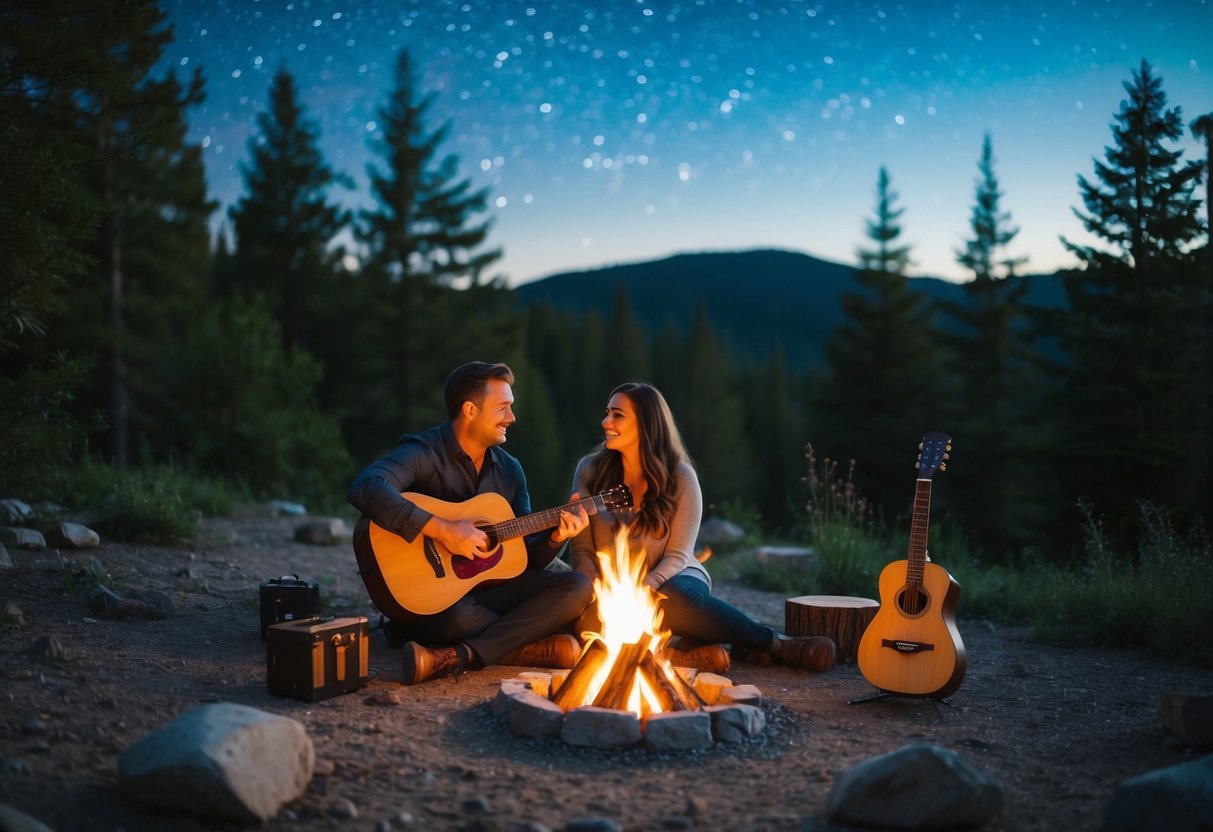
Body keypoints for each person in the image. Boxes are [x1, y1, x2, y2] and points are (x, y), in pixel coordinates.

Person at [347, 361, 594, 685]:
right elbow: (366, 486)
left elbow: (525, 559)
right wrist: (443, 530)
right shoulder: (424, 452)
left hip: (486, 592)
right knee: (458, 619)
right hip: (431, 600)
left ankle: (460, 654)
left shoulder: (509, 470)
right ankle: (520, 644)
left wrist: (555, 538)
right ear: (470, 410)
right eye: (503, 408)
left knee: (578, 587)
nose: (512, 418)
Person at [567, 381, 836, 673]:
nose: (606, 422)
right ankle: (682, 653)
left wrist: (642, 590)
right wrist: (600, 592)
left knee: (676, 601)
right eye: (607, 412)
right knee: (590, 621)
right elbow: (582, 549)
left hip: (673, 576)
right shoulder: (590, 471)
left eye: (617, 415)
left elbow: (677, 557)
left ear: (646, 424)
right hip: (611, 587)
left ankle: (775, 643)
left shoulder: (681, 478)